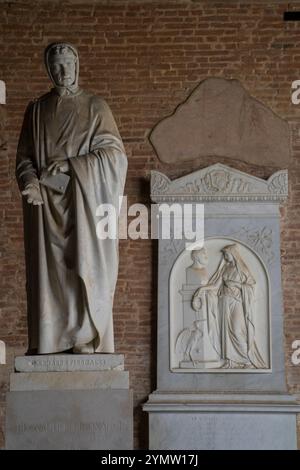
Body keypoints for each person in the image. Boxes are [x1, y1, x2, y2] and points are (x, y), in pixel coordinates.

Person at [16, 42, 127, 354]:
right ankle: (52, 339)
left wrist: (70, 165)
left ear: (77, 66)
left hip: (82, 201)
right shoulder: (36, 110)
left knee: (83, 264)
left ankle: (83, 337)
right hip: (46, 207)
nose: (62, 71)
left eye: (67, 64)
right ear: (48, 70)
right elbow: (24, 157)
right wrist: (29, 181)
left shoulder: (95, 107)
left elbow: (114, 156)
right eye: (56, 66)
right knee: (51, 275)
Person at [192, 244, 266, 369]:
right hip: (224, 302)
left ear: (233, 254)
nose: (225, 257)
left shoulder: (242, 269)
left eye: (226, 254)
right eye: (224, 255)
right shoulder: (225, 269)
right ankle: (230, 361)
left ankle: (247, 360)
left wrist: (237, 285)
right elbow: (216, 286)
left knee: (237, 331)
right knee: (225, 332)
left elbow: (251, 285)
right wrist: (202, 289)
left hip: (236, 303)